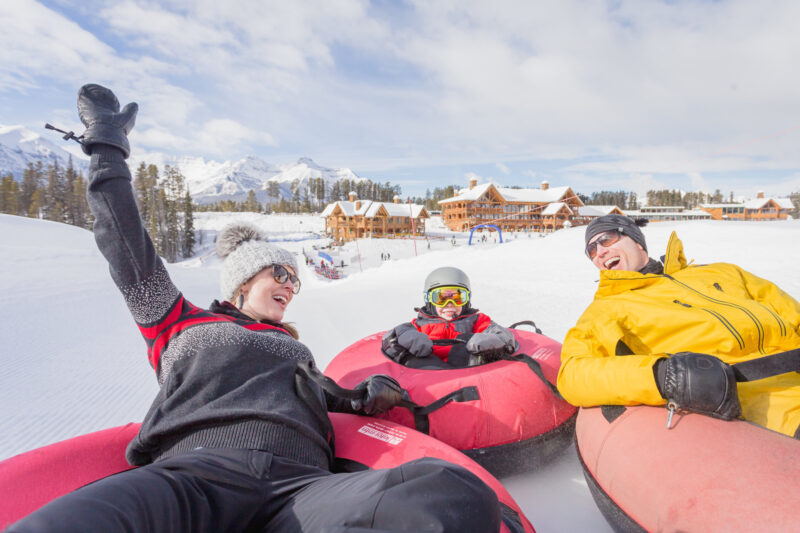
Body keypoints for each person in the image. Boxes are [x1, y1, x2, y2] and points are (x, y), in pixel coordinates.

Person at [9, 84, 501, 532]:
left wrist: (370, 393)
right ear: (243, 282)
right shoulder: (178, 321)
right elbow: (123, 244)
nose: (291, 285)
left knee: (450, 494)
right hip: (194, 478)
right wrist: (107, 147)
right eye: (280, 273)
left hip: (302, 491)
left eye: (296, 279)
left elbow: (337, 401)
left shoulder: (294, 351)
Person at [557, 214, 800, 438]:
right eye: (591, 249)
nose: (599, 251)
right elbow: (573, 374)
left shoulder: (723, 271)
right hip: (760, 404)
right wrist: (662, 374)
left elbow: (791, 311)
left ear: (637, 242)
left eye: (606, 239)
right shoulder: (608, 307)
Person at [382, 267, 516, 369]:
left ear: (467, 299)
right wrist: (407, 336)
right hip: (430, 375)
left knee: (466, 347)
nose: (449, 304)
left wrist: (487, 341)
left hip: (468, 372)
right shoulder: (420, 325)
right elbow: (394, 336)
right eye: (441, 298)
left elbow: (502, 335)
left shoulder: (476, 320)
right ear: (429, 300)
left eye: (457, 297)